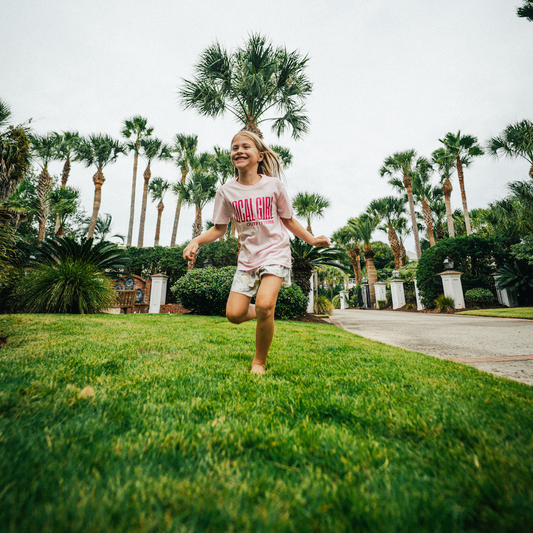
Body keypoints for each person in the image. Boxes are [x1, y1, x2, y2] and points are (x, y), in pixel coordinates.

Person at [183, 130, 330, 374]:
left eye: (245, 147)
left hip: (275, 252)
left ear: (260, 156)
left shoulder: (273, 185)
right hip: (247, 259)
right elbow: (219, 228)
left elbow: (288, 220)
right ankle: (265, 312)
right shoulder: (226, 191)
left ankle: (259, 362)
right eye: (235, 148)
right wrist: (196, 240)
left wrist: (312, 239)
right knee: (234, 314)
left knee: (263, 305)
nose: (239, 151)